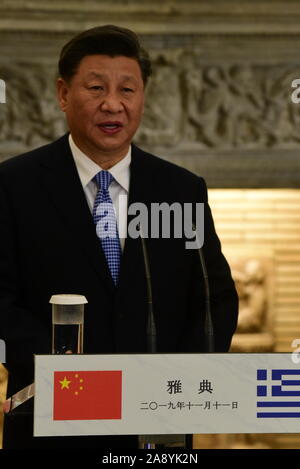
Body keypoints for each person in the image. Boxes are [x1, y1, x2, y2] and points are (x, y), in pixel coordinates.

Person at [0, 25, 238, 449]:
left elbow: (213, 300)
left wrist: (175, 382)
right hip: (53, 418)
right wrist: (72, 375)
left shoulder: (179, 190)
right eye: (96, 88)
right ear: (62, 93)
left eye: (128, 90)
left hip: (155, 426)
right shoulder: (14, 185)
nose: (113, 104)